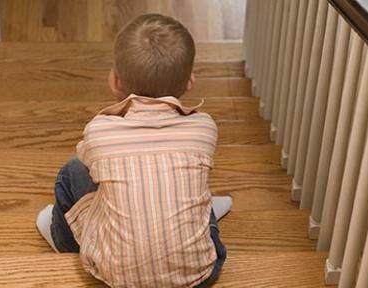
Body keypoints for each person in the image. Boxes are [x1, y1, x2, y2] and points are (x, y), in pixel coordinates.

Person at [36, 13, 232, 287]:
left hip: (117, 275)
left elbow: (88, 164)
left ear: (115, 81)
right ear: (190, 82)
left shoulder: (99, 131)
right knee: (190, 179)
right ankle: (203, 218)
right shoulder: (205, 127)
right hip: (200, 274)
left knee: (71, 172)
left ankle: (63, 239)